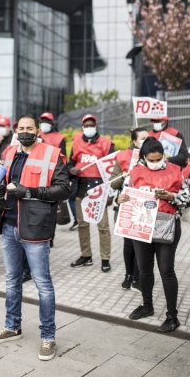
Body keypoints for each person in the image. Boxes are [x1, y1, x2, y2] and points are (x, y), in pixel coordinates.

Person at [0, 114, 70, 361]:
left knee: (42, 283)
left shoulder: (52, 153)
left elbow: (64, 189)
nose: (25, 131)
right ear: (16, 130)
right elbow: (4, 182)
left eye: (29, 128)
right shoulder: (10, 152)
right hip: (9, 224)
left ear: (37, 130)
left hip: (35, 227)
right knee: (12, 280)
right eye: (21, 128)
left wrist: (30, 192)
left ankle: (48, 337)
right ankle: (12, 327)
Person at [117, 137, 190, 333]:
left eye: (159, 158)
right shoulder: (134, 172)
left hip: (167, 225)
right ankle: (147, 306)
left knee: (166, 270)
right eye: (151, 159)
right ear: (144, 157)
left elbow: (188, 198)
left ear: (163, 155)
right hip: (141, 226)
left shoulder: (175, 171)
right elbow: (123, 196)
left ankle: (172, 316)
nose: (156, 162)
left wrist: (171, 196)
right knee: (144, 269)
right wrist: (120, 198)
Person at [68, 114, 114, 272]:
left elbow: (112, 169)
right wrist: (70, 170)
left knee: (103, 227)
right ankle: (86, 255)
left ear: (96, 126)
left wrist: (110, 192)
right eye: (86, 125)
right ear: (82, 127)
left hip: (99, 189)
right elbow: (70, 163)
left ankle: (105, 258)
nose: (89, 128)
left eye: (91, 125)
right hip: (81, 188)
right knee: (82, 224)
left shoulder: (106, 144)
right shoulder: (76, 142)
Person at [110, 126, 149, 292]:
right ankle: (129, 275)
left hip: (145, 206)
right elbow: (113, 183)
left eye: (149, 138)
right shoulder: (123, 156)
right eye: (143, 139)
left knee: (140, 243)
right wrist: (123, 175)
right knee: (129, 243)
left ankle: (138, 277)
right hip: (127, 204)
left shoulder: (155, 155)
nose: (147, 141)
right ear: (134, 141)